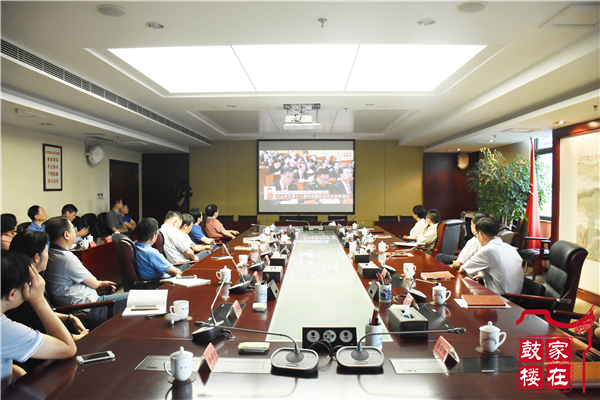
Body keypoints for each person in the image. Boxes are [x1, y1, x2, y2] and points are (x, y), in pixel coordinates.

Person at [1, 251, 77, 389]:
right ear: (12, 294)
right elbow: (67, 348)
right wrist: (39, 300)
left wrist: (11, 369)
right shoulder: (4, 329)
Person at [44, 217, 128, 329]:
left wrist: (100, 285)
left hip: (85, 304)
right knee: (138, 299)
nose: (75, 231)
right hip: (90, 309)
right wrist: (100, 284)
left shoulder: (51, 253)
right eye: (73, 229)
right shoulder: (66, 258)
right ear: (66, 235)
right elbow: (94, 283)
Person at [7, 231, 89, 341]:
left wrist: (69, 318)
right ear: (36, 257)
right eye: (47, 251)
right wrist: (80, 338)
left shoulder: (31, 280)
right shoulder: (25, 291)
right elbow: (39, 329)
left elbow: (44, 313)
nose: (49, 255)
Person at [459, 217, 524, 295]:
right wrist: (484, 275)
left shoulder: (487, 250)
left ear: (481, 234)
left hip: (499, 299)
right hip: (517, 298)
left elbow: (462, 270)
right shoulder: (511, 248)